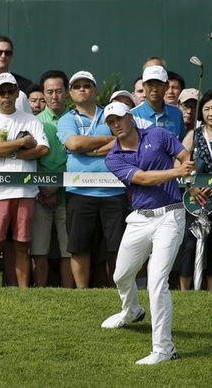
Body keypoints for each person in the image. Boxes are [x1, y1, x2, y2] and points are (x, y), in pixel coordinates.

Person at [101, 101, 195, 365]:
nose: (116, 125)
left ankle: (164, 349)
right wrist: (178, 171)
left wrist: (187, 169)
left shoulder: (158, 134)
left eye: (119, 118)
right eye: (110, 122)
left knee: (156, 282)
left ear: (130, 117)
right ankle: (131, 310)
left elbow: (184, 155)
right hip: (140, 219)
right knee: (121, 275)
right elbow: (142, 178)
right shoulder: (114, 157)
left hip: (171, 215)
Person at [0, 72, 49, 288]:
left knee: (22, 244)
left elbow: (43, 149)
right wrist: (22, 143)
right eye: (2, 92)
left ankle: (23, 290)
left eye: (10, 91)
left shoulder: (30, 120)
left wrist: (11, 152)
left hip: (26, 191)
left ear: (17, 93)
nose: (7, 96)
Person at [57, 70, 127, 288]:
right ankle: (82, 291)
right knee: (79, 246)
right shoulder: (67, 119)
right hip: (79, 191)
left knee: (116, 247)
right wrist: (106, 140)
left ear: (95, 90)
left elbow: (122, 140)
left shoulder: (109, 114)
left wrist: (92, 149)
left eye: (87, 85)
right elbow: (74, 144)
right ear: (70, 92)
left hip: (114, 191)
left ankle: (119, 289)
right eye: (77, 86)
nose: (82, 89)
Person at [179, 90, 212, 291]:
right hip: (195, 198)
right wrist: (190, 187)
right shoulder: (194, 135)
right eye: (207, 108)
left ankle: (210, 291)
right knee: (190, 244)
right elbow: (181, 165)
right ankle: (185, 290)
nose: (211, 113)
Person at [31, 70, 73, 288]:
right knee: (39, 249)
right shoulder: (34, 122)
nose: (54, 96)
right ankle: (40, 292)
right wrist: (43, 188)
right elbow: (32, 160)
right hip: (40, 193)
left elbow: (74, 159)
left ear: (66, 92)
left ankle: (69, 293)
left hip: (68, 193)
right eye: (50, 92)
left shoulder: (75, 120)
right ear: (43, 94)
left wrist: (55, 188)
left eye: (58, 91)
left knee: (68, 250)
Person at [131, 65, 185, 140]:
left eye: (159, 85)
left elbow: (181, 144)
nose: (154, 89)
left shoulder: (176, 113)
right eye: (150, 84)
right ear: (143, 86)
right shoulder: (132, 115)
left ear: (166, 86)